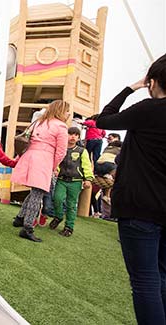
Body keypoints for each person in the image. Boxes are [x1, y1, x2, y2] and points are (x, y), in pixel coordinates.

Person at [96, 54, 166, 325]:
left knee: (145, 281)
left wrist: (130, 88)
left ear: (153, 80)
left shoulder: (149, 110)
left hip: (141, 207)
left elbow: (104, 119)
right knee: (161, 277)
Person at [11, 100, 69, 242]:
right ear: (60, 111)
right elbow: (61, 152)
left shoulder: (39, 122)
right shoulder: (61, 127)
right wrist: (54, 166)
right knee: (38, 194)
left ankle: (20, 218)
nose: (68, 114)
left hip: (30, 156)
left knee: (35, 192)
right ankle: (27, 227)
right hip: (44, 160)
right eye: (67, 111)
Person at [49, 127, 93, 236]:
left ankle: (69, 226)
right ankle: (58, 216)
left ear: (78, 137)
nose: (73, 137)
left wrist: (88, 178)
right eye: (70, 134)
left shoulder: (82, 151)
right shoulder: (61, 149)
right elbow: (57, 162)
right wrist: (56, 170)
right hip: (61, 180)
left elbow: (86, 166)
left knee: (71, 204)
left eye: (76, 135)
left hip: (76, 181)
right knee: (57, 198)